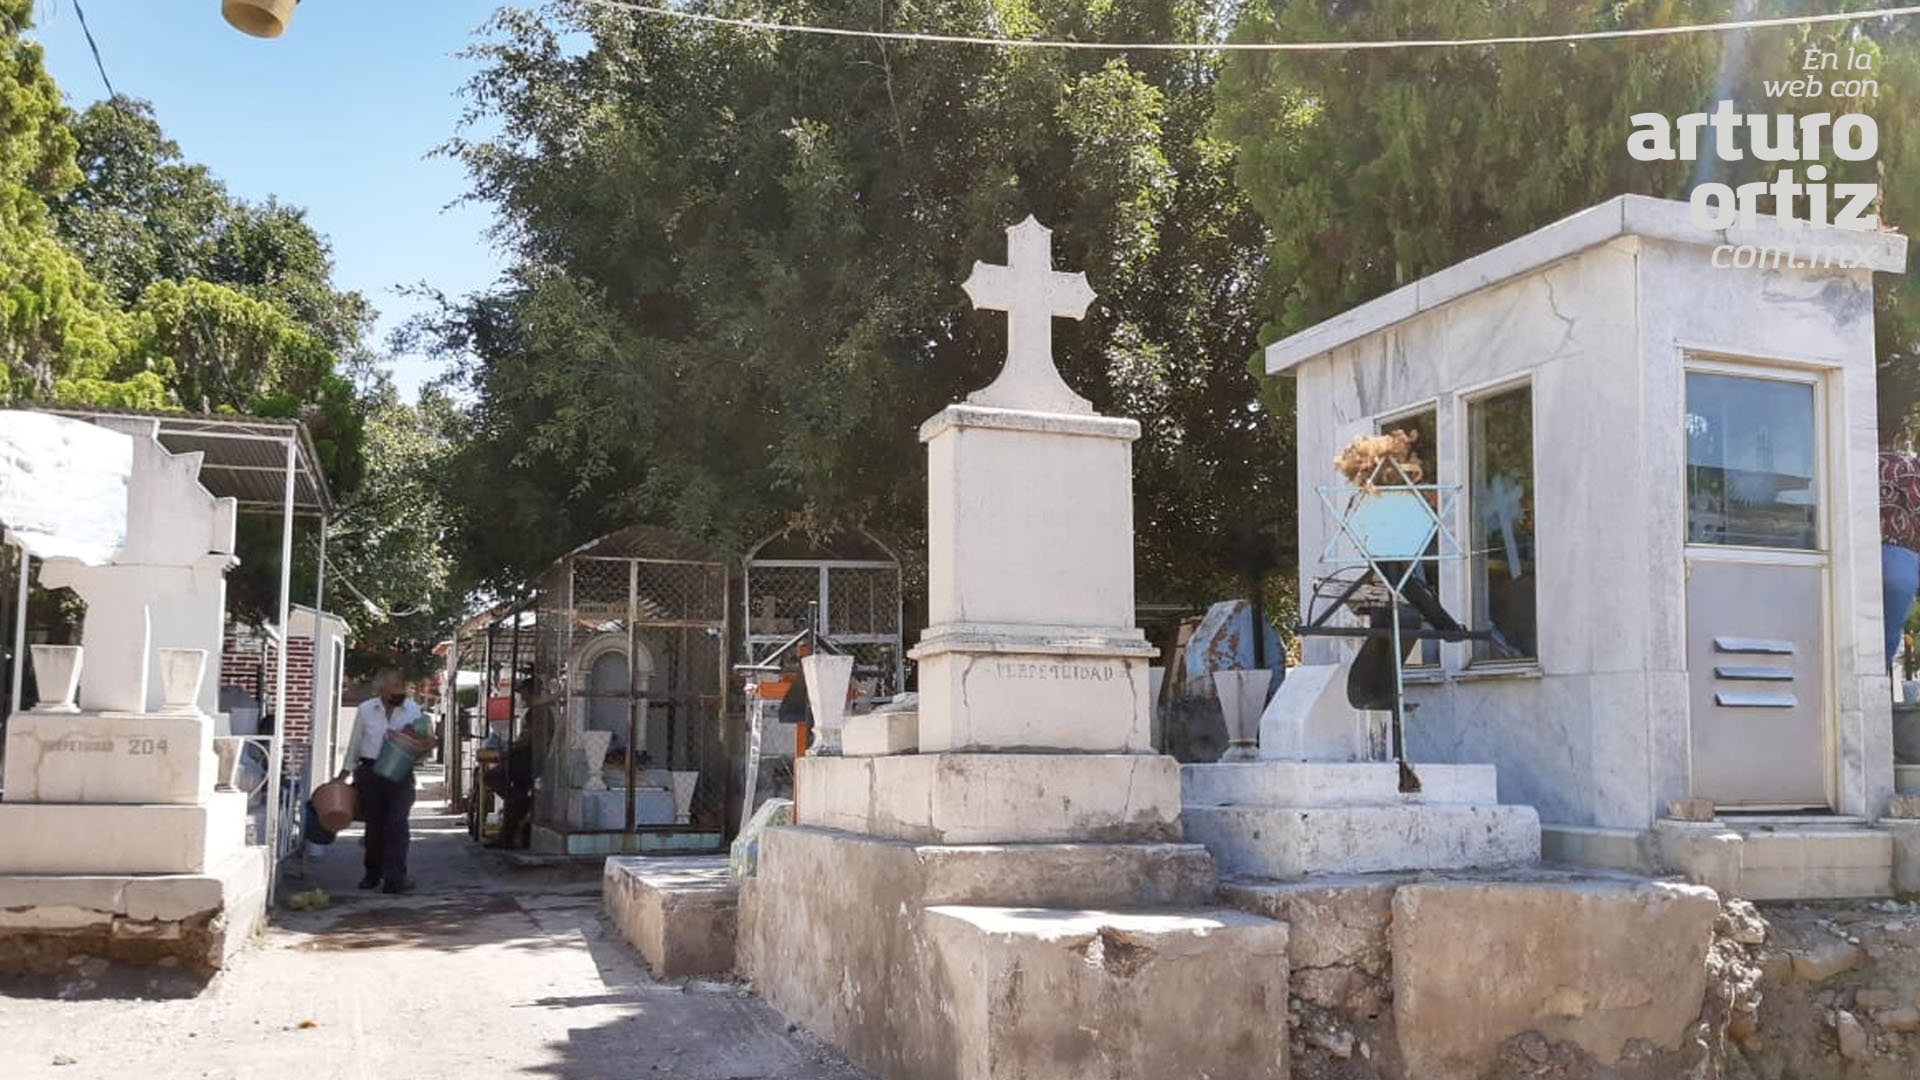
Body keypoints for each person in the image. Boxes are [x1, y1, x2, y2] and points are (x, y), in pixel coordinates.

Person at [343, 669, 427, 893]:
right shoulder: (366, 710)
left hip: (400, 772)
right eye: (394, 686)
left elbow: (424, 740)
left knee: (397, 824)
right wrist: (344, 774)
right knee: (375, 826)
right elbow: (355, 742)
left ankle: (395, 878)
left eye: (401, 685)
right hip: (371, 772)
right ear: (381, 689)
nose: (400, 690)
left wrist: (416, 742)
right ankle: (372, 874)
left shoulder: (412, 709)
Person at [483, 678, 551, 850]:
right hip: (530, 758)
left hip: (528, 759)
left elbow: (527, 739)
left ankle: (519, 802)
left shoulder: (538, 712)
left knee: (491, 777)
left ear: (531, 692)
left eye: (524, 693)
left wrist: (508, 750)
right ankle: (507, 837)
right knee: (514, 799)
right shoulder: (538, 711)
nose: (522, 697)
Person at [1883, 427, 1920, 667]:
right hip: (1898, 556)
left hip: (1850, 554)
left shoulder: (1843, 461)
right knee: (1886, 636)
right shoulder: (1908, 468)